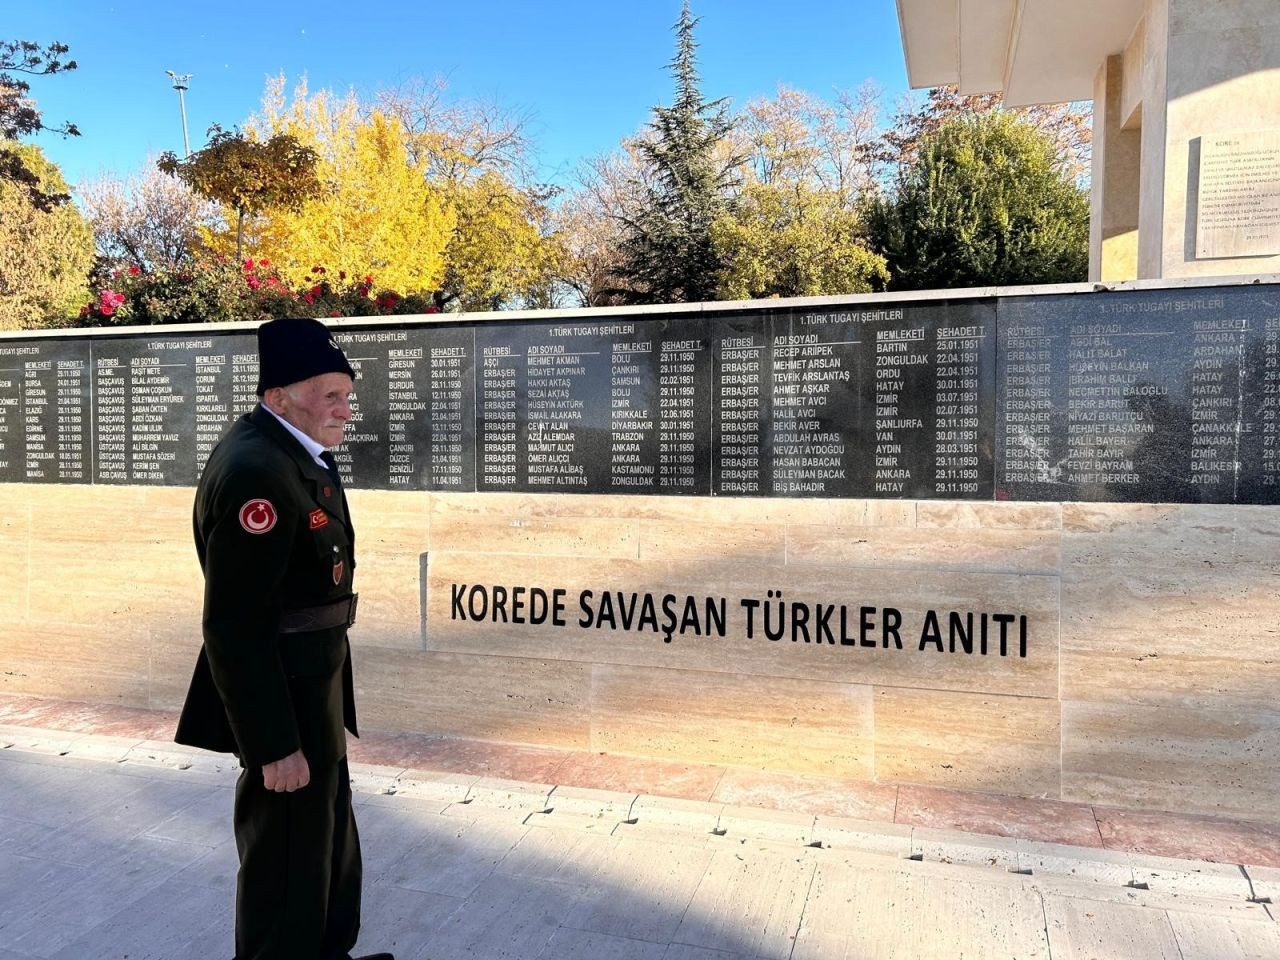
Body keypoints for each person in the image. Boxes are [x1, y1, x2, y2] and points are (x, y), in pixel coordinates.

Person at [175, 316, 392, 960]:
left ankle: (328, 952)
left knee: (324, 837)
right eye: (331, 396)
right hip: (285, 694)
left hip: (313, 683)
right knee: (286, 857)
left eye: (348, 396)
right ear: (280, 396)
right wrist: (273, 745)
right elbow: (234, 626)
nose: (346, 410)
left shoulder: (289, 451)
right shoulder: (258, 473)